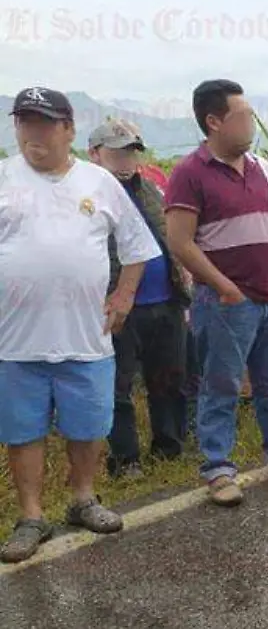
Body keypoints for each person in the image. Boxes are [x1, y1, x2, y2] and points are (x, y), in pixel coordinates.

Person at [0, 88, 160, 563]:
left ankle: (82, 499)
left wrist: (125, 296)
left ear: (68, 129)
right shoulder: (4, 177)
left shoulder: (99, 182)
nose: (33, 133)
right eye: (25, 122)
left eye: (44, 123)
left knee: (86, 425)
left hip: (87, 336)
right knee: (22, 431)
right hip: (15, 341)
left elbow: (136, 247)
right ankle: (31, 515)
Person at [166, 79, 268, 509]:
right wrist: (223, 286)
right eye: (241, 116)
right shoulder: (189, 173)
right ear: (214, 121)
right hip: (225, 302)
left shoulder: (259, 167)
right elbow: (180, 242)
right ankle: (218, 468)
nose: (250, 124)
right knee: (220, 384)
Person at [88, 120, 192, 480]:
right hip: (116, 305)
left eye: (131, 150)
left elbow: (171, 241)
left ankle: (170, 446)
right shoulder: (87, 199)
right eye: (116, 151)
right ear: (94, 154)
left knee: (169, 378)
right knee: (118, 385)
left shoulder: (150, 190)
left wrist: (185, 290)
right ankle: (126, 459)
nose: (125, 159)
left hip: (166, 300)